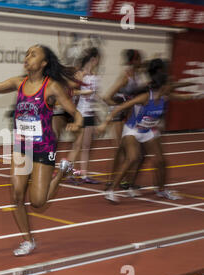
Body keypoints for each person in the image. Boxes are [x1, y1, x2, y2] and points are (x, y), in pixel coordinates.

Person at [0, 44, 82, 256]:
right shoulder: (18, 82)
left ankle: (61, 175)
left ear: (43, 63)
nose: (28, 57)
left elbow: (75, 113)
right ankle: (28, 240)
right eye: (27, 54)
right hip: (22, 146)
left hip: (43, 147)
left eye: (33, 55)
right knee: (16, 195)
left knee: (39, 202)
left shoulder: (51, 87)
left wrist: (76, 123)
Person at [97, 59, 204, 203]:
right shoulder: (146, 97)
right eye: (169, 85)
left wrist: (199, 94)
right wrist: (104, 123)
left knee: (161, 161)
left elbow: (185, 98)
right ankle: (111, 191)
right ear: (163, 86)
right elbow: (119, 108)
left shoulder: (166, 96)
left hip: (148, 131)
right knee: (133, 157)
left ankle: (161, 190)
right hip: (132, 130)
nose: (171, 87)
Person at [103, 49, 146, 191]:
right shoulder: (126, 76)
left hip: (128, 113)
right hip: (118, 113)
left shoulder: (137, 74)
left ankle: (124, 180)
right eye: (139, 59)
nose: (141, 62)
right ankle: (111, 180)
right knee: (120, 148)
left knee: (129, 149)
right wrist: (118, 106)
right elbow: (107, 96)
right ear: (134, 61)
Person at [65, 47, 102, 184]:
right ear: (93, 59)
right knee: (77, 145)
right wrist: (83, 93)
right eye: (97, 59)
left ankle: (84, 175)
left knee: (86, 146)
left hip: (90, 113)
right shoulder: (80, 74)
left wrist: (97, 111)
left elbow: (94, 95)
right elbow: (71, 92)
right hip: (80, 113)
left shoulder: (94, 75)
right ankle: (68, 173)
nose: (98, 61)